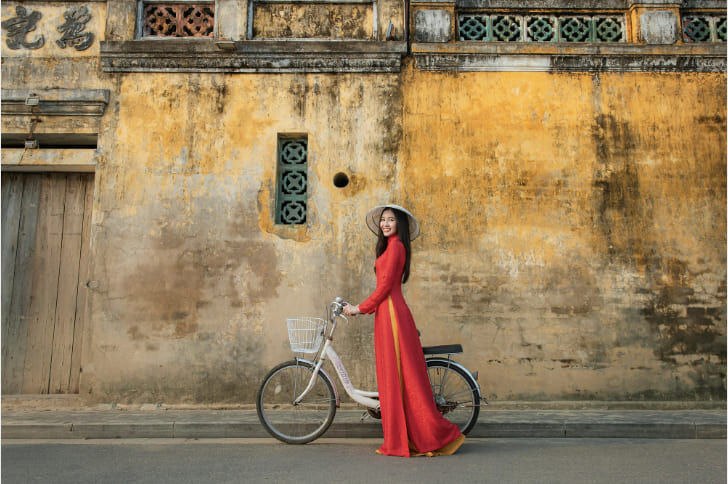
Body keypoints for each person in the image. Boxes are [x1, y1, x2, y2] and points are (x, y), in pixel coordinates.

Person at [343, 204, 465, 457]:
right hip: (387, 315)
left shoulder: (397, 247)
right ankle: (406, 436)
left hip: (393, 317)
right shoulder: (390, 247)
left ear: (400, 224)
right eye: (383, 220)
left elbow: (385, 287)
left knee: (400, 377)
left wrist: (359, 308)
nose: (386, 224)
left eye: (391, 220)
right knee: (396, 377)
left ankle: (424, 435)